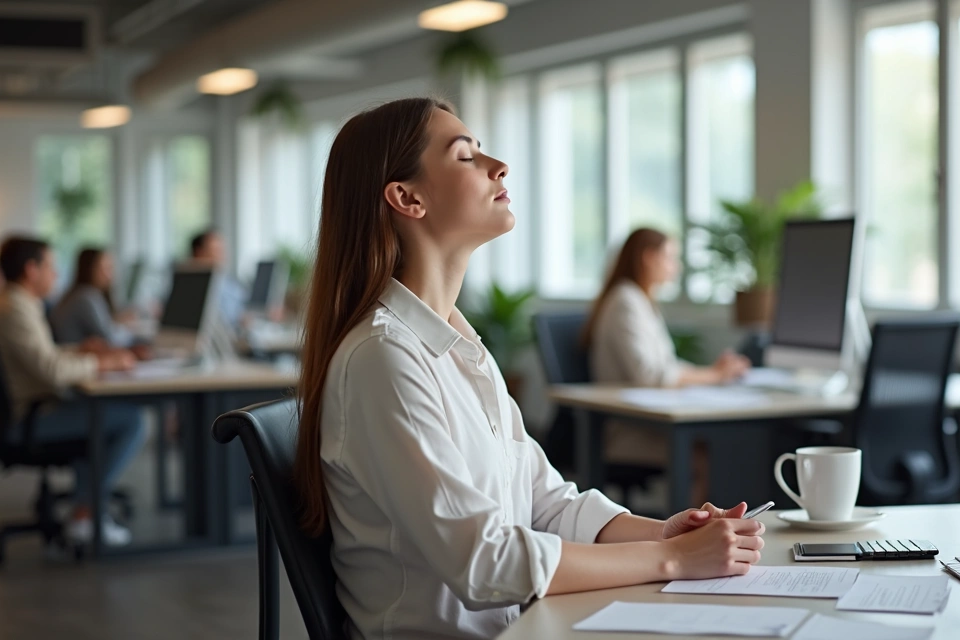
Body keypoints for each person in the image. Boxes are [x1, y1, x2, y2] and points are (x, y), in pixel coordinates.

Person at [293, 98, 765, 640]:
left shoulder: (459, 345)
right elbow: (484, 562)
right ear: (407, 198)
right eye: (466, 156)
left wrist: (663, 534)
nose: (499, 165)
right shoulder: (383, 360)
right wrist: (675, 561)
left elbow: (546, 502)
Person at [0, 237, 146, 546]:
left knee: (104, 416)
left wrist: (81, 352)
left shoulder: (14, 303)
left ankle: (85, 509)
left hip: (29, 409)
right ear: (31, 270)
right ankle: (85, 513)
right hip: (30, 417)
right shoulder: (14, 309)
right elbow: (53, 372)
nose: (56, 275)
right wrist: (103, 365)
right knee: (131, 421)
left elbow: (44, 358)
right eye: (51, 267)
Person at [582, 228, 751, 505]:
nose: (677, 266)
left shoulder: (641, 300)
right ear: (649, 258)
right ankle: (694, 536)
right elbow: (651, 375)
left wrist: (713, 372)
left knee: (721, 444)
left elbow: (667, 365)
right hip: (628, 431)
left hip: (649, 423)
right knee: (711, 452)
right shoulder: (625, 300)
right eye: (671, 257)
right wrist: (714, 375)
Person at [50, 247, 139, 352]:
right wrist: (129, 330)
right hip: (78, 359)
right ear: (89, 269)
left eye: (111, 268)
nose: (111, 275)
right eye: (105, 268)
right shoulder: (86, 297)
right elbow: (109, 338)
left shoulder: (79, 293)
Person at [189, 227, 245, 327]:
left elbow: (245, 302)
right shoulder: (189, 285)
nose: (222, 257)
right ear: (199, 253)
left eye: (222, 251)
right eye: (216, 251)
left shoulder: (226, 281)